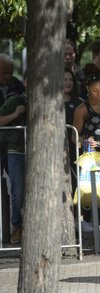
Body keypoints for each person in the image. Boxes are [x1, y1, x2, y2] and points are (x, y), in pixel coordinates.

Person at [73, 73, 100, 233]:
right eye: (94, 90)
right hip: (92, 157)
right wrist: (85, 140)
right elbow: (74, 135)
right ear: (88, 90)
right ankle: (90, 221)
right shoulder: (82, 108)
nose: (98, 93)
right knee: (93, 189)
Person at [0, 81, 26, 244]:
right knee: (17, 191)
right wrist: (16, 114)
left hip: (37, 152)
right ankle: (17, 227)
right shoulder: (16, 101)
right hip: (16, 151)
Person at [63, 68, 84, 191]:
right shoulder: (52, 103)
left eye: (70, 79)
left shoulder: (79, 102)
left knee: (76, 180)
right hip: (58, 146)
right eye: (65, 79)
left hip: (75, 146)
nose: (68, 82)